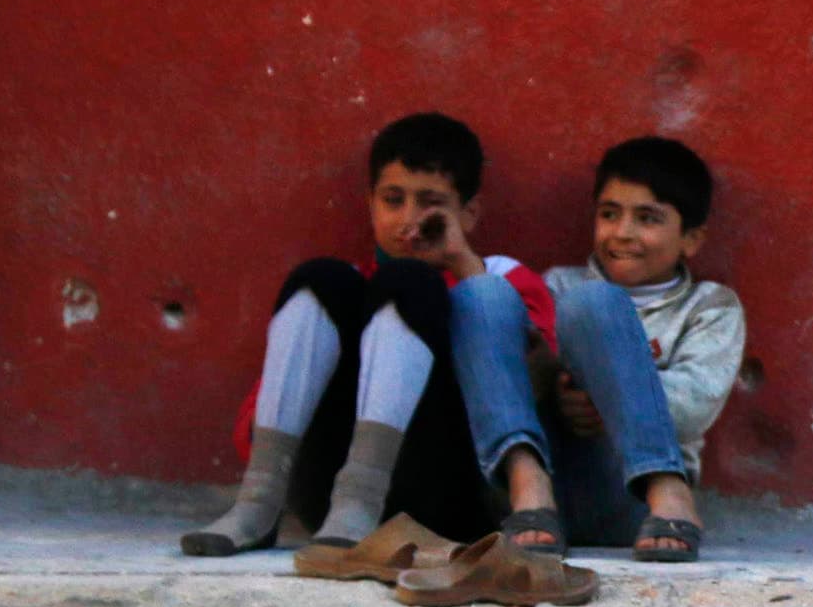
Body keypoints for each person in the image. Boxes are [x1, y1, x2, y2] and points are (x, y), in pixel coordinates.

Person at [181, 112, 555, 555]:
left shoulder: (500, 278)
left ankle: (363, 494)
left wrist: (459, 262)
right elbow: (253, 424)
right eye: (392, 200)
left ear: (468, 214)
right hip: (328, 506)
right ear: (370, 203)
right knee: (320, 275)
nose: (407, 220)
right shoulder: (347, 293)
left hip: (450, 491)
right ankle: (259, 502)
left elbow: (533, 388)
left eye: (429, 204)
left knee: (411, 283)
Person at [449, 134, 746, 563]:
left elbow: (695, 404)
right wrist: (550, 381)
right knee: (480, 294)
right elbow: (505, 386)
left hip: (637, 505)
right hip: (531, 500)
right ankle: (525, 479)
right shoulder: (556, 286)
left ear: (692, 239)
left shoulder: (709, 307)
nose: (622, 234)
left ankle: (667, 487)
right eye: (610, 214)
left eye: (648, 218)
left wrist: (604, 401)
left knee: (598, 302)